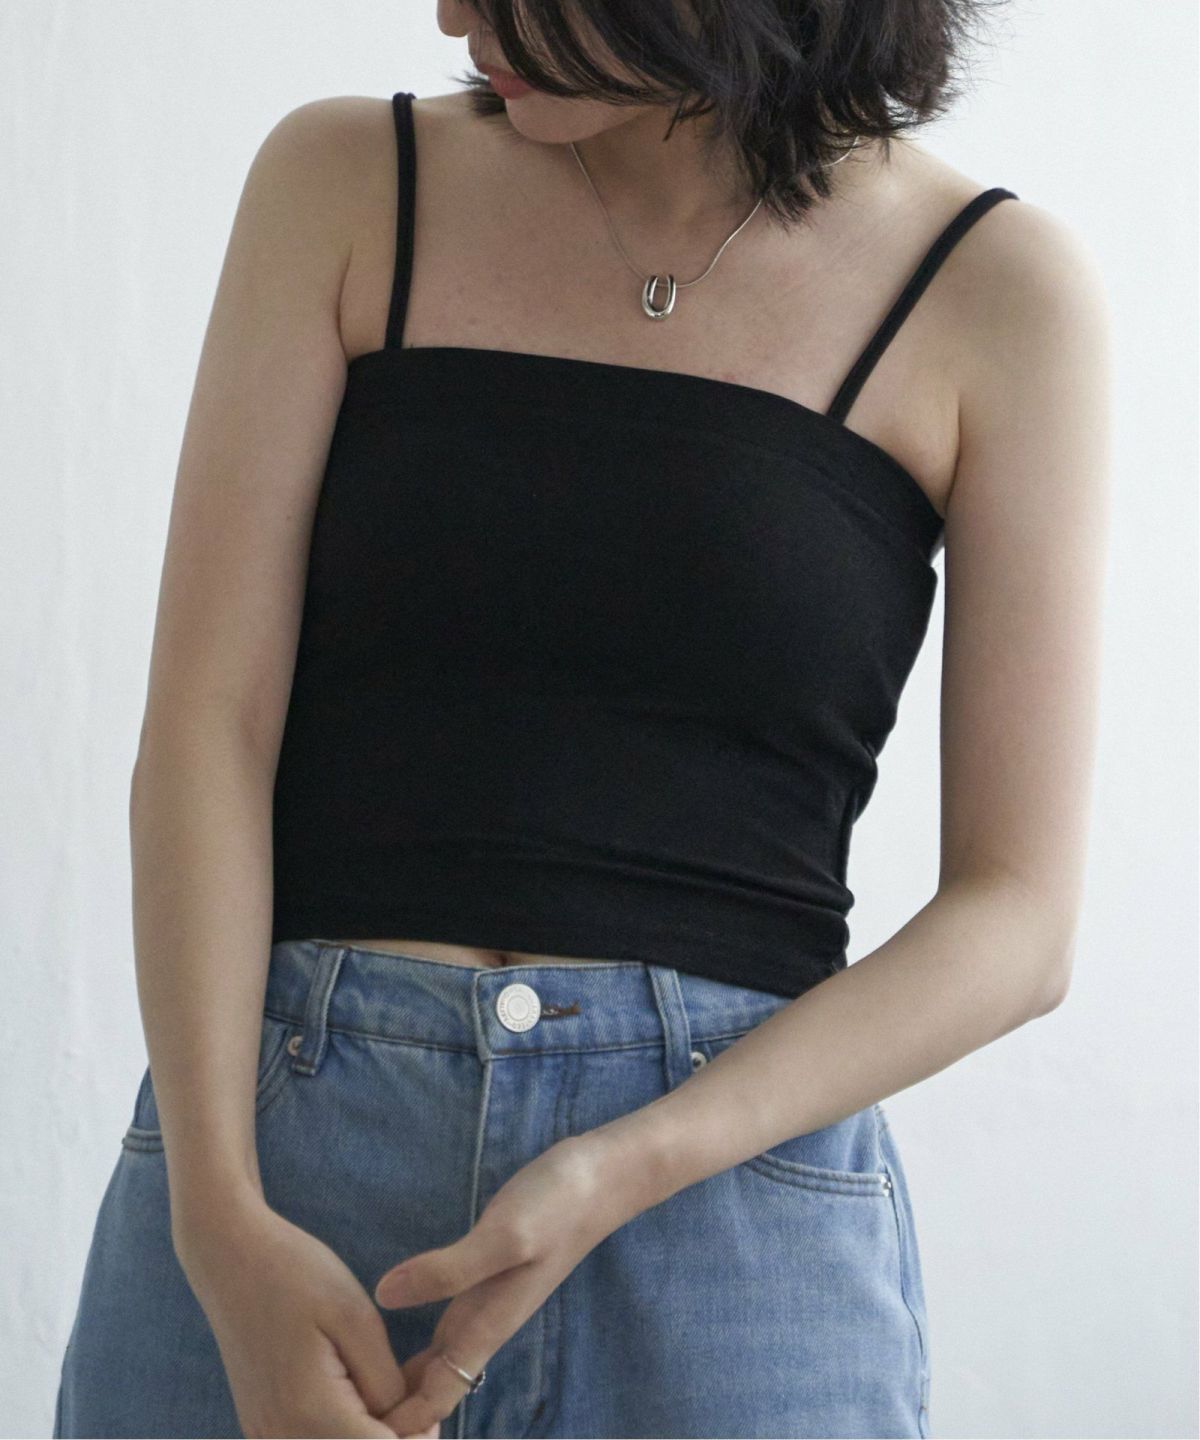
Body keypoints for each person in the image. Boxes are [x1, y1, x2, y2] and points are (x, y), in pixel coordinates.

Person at [53, 0, 1111, 1436]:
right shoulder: (347, 183)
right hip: (284, 1174)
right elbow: (206, 729)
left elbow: (1019, 917)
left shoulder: (995, 291)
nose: (450, 15)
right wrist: (219, 1222)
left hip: (725, 1220)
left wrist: (631, 1162)